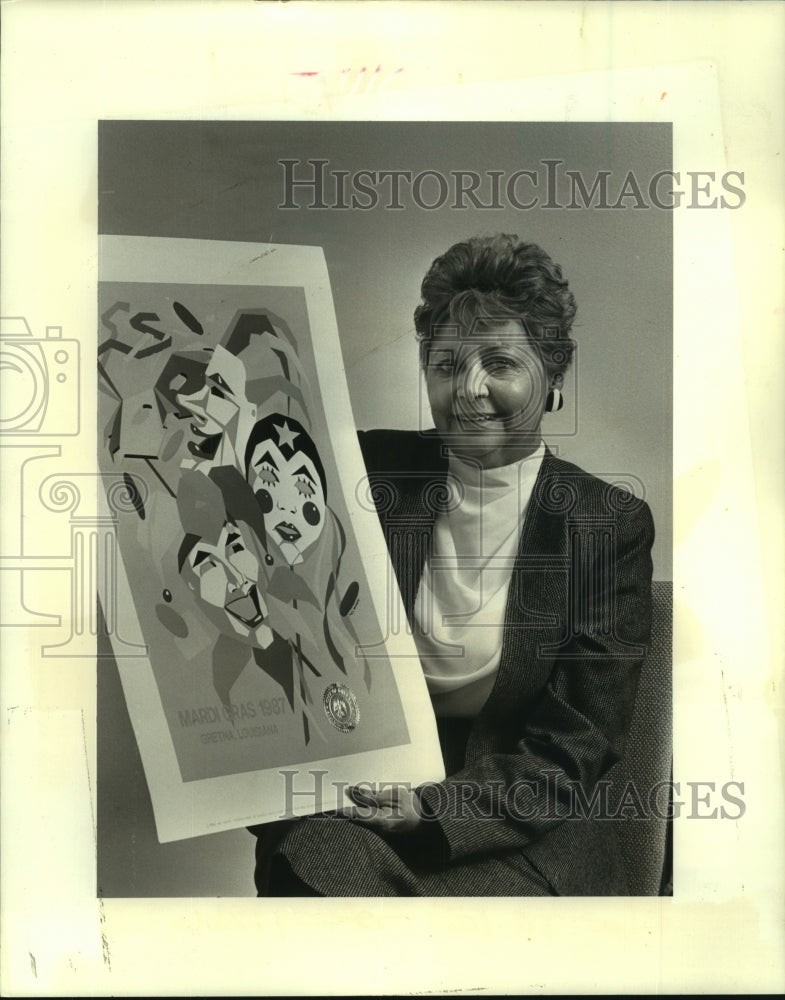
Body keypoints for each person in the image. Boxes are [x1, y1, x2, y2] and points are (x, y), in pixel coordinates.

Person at [256, 233, 655, 896]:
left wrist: (432, 809)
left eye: (499, 363)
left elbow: (573, 745)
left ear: (551, 375)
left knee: (343, 891)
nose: (468, 390)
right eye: (446, 366)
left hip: (516, 827)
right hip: (360, 800)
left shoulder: (604, 524)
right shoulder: (365, 469)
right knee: (314, 851)